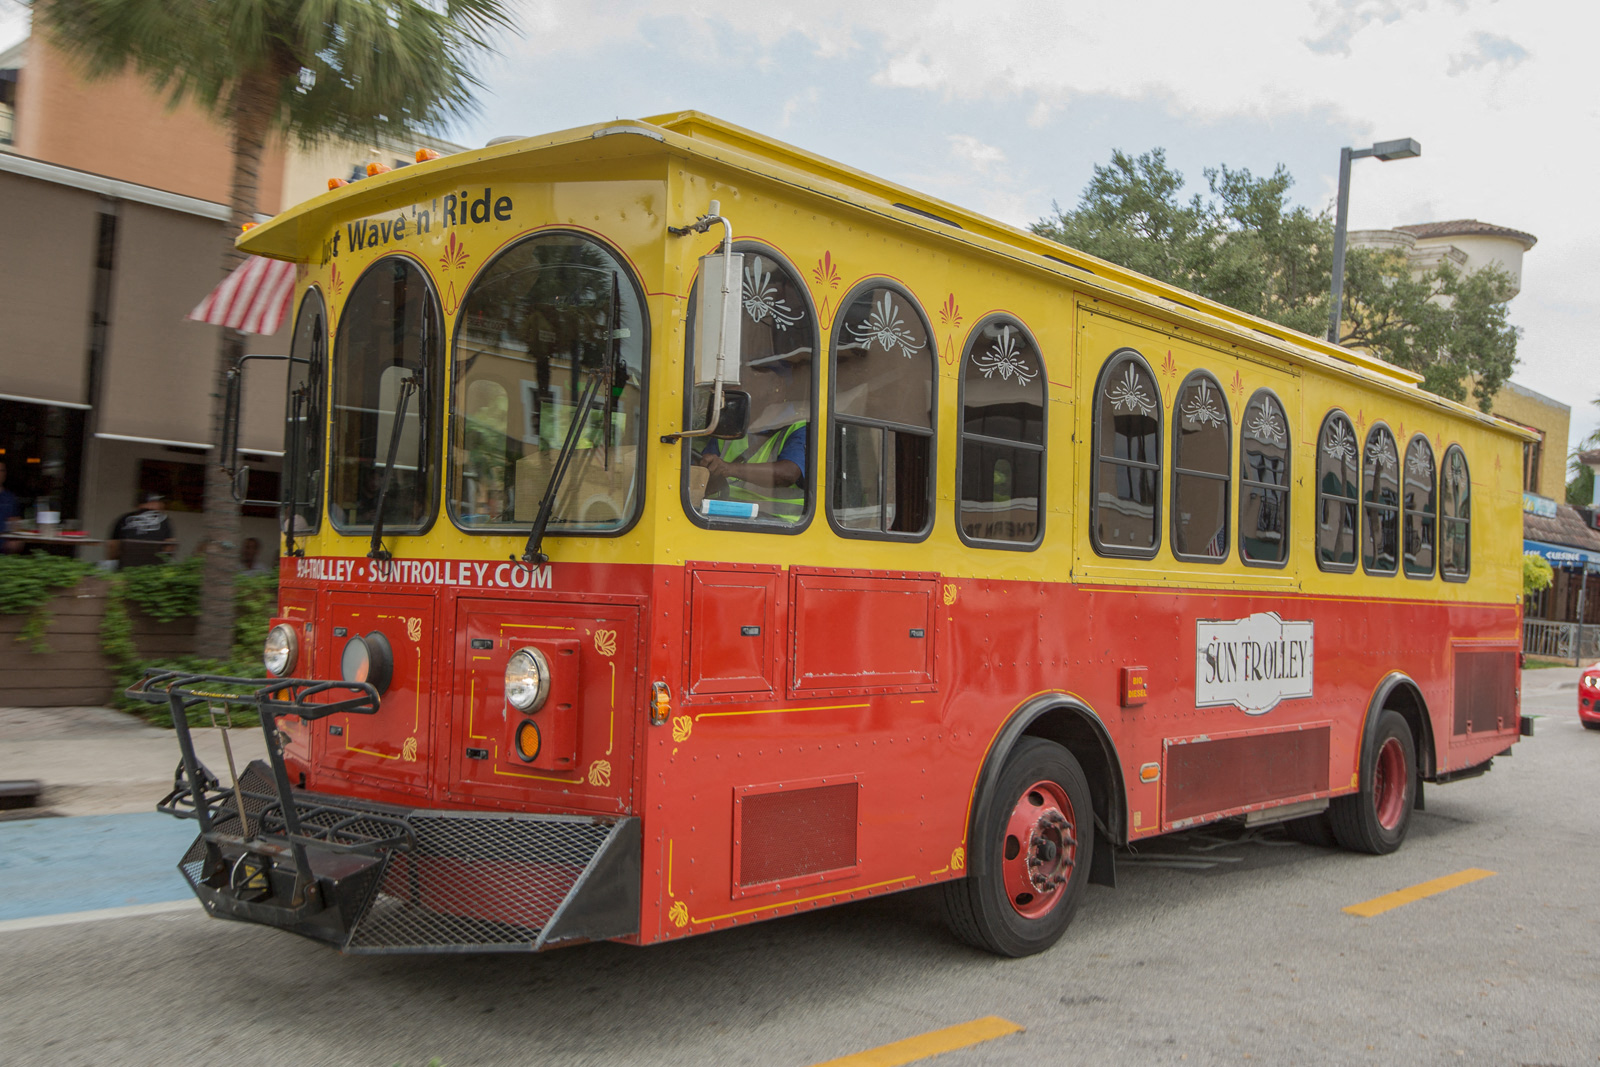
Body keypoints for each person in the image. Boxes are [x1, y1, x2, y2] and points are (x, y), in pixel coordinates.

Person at [693, 361, 807, 522]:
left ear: (777, 385)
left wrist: (729, 468)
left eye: (753, 374)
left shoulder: (799, 427)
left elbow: (788, 473)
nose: (740, 382)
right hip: (726, 516)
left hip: (779, 525)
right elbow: (706, 474)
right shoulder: (734, 424)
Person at [106, 493, 176, 567]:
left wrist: (114, 565)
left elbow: (112, 545)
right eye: (159, 502)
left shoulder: (123, 519)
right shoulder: (163, 519)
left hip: (126, 567)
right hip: (154, 567)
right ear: (151, 503)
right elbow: (170, 545)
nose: (162, 505)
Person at [0, 460, 20, 554]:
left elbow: (15, 522)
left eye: (2, 470)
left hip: (4, 552)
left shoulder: (10, 498)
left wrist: (16, 541)